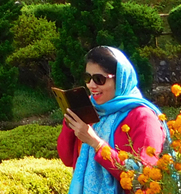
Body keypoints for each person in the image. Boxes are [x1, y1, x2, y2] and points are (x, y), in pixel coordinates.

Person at [57, 46, 169, 194]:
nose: (91, 85)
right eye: (87, 78)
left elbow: (144, 177)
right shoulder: (92, 109)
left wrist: (96, 144)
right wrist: (71, 117)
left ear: (120, 79)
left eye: (99, 79)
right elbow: (67, 158)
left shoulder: (144, 117)